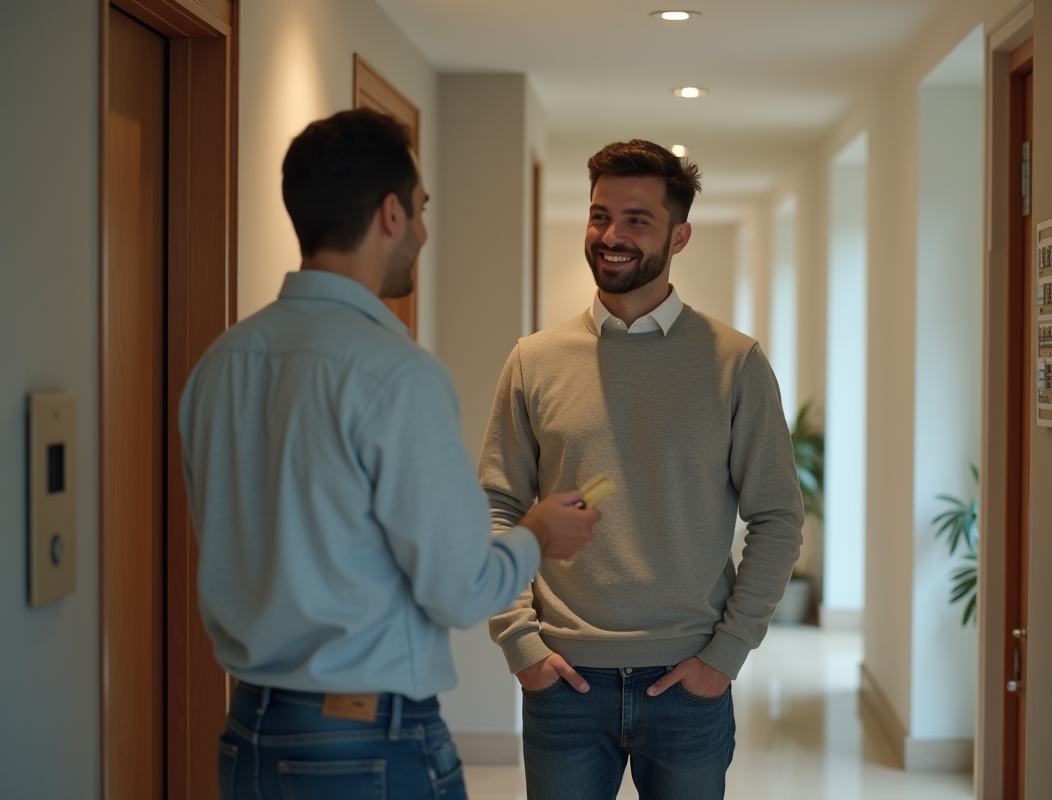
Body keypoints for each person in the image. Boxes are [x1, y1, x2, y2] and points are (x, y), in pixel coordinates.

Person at [178, 108, 600, 800]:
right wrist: (536, 535)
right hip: (363, 744)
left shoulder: (222, 364)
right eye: (423, 208)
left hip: (250, 733)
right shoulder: (394, 374)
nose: (426, 232)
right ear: (390, 214)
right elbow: (458, 587)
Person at [481, 139, 805, 799]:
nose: (611, 235)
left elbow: (776, 515)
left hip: (687, 683)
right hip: (565, 680)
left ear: (678, 236)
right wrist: (521, 643)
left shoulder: (733, 363)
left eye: (637, 220)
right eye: (601, 216)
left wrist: (726, 655)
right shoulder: (533, 361)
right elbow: (496, 508)